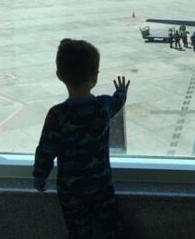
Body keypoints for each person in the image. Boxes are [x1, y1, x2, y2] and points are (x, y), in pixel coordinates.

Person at [33, 39, 130, 239]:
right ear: (94, 78)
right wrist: (121, 91)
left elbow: (46, 151)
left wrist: (39, 177)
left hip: (71, 191)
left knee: (78, 232)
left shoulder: (57, 114)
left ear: (59, 75)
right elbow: (117, 102)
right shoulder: (102, 107)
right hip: (101, 185)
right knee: (111, 228)